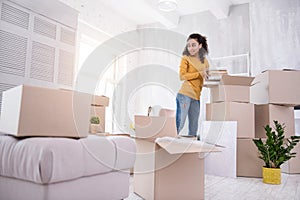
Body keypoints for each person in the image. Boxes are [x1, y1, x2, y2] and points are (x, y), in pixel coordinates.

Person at [176, 33, 209, 137]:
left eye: (193, 45)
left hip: (196, 97)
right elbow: (182, 76)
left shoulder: (205, 61)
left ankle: (191, 151)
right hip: (185, 95)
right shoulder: (186, 58)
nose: (191, 48)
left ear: (200, 45)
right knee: (180, 123)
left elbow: (205, 78)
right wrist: (199, 73)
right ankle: (168, 145)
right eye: (189, 45)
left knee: (194, 127)